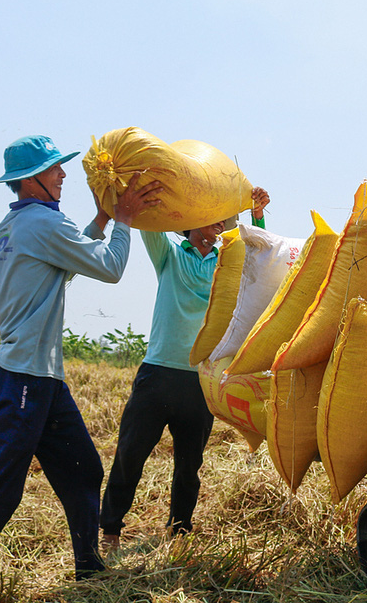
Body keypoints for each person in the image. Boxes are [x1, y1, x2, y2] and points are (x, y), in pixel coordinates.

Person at [0, 135, 163, 602]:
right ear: (30, 180)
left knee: (82, 469)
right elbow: (110, 268)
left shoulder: (19, 224)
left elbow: (72, 255)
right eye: (54, 169)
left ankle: (87, 567)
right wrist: (123, 221)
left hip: (41, 379)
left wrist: (101, 218)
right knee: (0, 487)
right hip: (23, 379)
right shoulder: (40, 223)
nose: (62, 175)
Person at [100, 186, 271, 551]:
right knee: (131, 453)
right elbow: (151, 228)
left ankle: (179, 531)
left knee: (189, 465)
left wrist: (256, 214)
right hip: (158, 374)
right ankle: (111, 529)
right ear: (189, 228)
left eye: (218, 226)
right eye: (205, 226)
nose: (212, 232)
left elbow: (259, 259)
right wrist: (156, 192)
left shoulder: (226, 264)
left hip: (200, 380)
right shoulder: (170, 258)